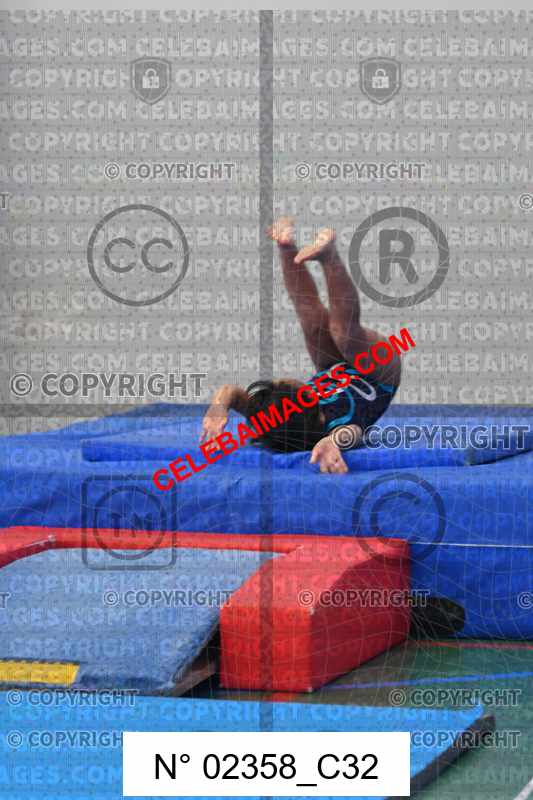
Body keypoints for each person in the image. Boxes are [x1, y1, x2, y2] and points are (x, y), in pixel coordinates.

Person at [200, 218, 401, 473]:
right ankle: (329, 257)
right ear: (305, 401)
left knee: (312, 321)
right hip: (378, 373)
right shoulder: (334, 425)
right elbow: (354, 432)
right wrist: (332, 442)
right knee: (343, 333)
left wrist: (218, 407)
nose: (280, 380)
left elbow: (230, 391)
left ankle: (286, 247)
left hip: (332, 368)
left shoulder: (269, 418)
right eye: (283, 385)